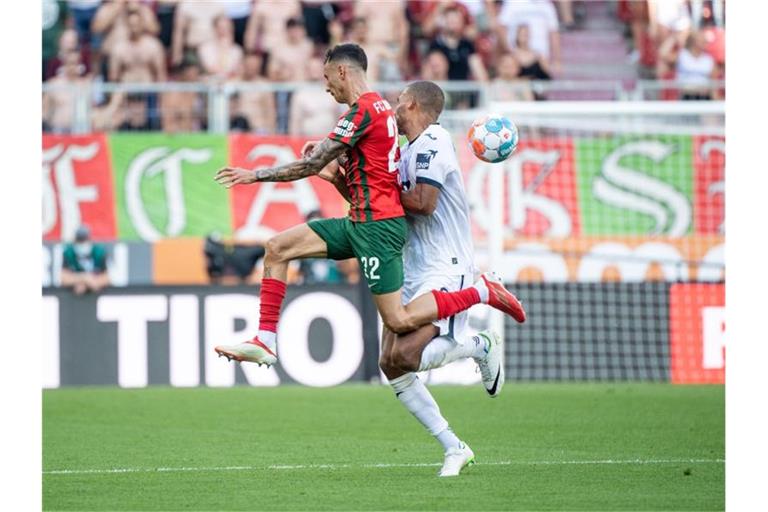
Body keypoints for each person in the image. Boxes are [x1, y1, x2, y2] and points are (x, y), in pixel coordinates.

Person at [212, 43, 525, 370]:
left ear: (342, 71)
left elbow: (315, 164)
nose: (326, 85)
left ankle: (482, 292)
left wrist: (254, 175)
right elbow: (364, 179)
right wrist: (335, 168)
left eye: (327, 76)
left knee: (400, 322)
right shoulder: (380, 113)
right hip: (359, 221)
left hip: (378, 227)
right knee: (277, 248)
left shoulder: (368, 111)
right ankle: (265, 339)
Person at [382, 81, 508, 477]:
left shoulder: (434, 140)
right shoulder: (406, 151)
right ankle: (454, 447)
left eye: (399, 102)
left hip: (445, 265)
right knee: (390, 364)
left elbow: (423, 202)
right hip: (411, 266)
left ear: (414, 104)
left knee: (407, 356)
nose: (394, 108)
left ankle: (478, 344)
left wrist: (375, 193)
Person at [60, 225, 110, 295]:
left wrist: (90, 284)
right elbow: (64, 278)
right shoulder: (69, 253)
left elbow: (106, 278)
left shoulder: (98, 252)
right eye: (79, 241)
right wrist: (83, 278)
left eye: (83, 241)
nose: (82, 244)